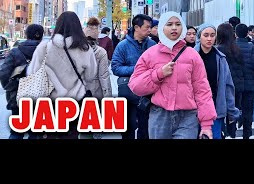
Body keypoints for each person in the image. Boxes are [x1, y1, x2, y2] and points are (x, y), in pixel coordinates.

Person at [128, 11, 216, 139]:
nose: (174, 28)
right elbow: (135, 86)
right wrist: (158, 74)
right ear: (162, 28)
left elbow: (202, 89)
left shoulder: (192, 55)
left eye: (178, 24)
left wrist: (206, 124)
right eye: (169, 24)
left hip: (188, 116)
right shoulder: (150, 54)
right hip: (159, 116)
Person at [27, 11, 98, 139]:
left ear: (58, 25)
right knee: (72, 135)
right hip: (75, 103)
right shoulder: (85, 49)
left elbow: (33, 75)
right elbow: (91, 76)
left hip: (49, 105)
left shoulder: (44, 47)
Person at [111, 14, 156, 139]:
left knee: (146, 128)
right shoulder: (123, 45)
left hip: (148, 94)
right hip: (128, 94)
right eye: (147, 27)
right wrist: (137, 69)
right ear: (136, 27)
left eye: (150, 27)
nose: (149, 30)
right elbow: (115, 68)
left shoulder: (152, 45)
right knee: (128, 127)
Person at [195, 23, 240, 139]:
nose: (209, 38)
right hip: (193, 110)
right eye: (206, 35)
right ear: (199, 36)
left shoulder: (220, 58)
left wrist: (231, 109)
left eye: (212, 35)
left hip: (215, 108)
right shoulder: (191, 56)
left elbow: (228, 86)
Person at [0, 24, 44, 139]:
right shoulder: (47, 52)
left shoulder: (15, 52)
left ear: (26, 35)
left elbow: (4, 74)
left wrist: (13, 86)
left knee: (16, 132)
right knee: (36, 133)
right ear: (42, 36)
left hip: (17, 98)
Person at [216, 23, 244, 138]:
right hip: (238, 85)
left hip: (224, 86)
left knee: (222, 112)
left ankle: (224, 134)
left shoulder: (218, 50)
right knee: (233, 112)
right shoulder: (237, 49)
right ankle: (232, 134)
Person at [234, 23, 254, 139]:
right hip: (250, 83)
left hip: (235, 83)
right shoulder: (252, 47)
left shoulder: (232, 46)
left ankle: (232, 134)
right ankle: (247, 135)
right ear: (247, 33)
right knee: (248, 111)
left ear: (235, 34)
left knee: (234, 108)